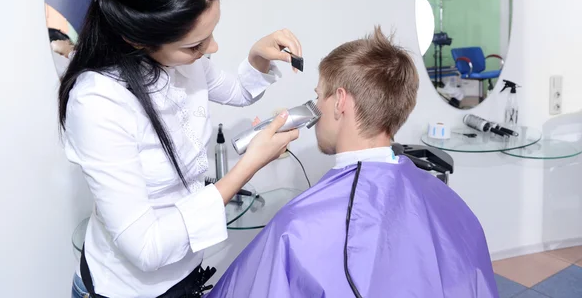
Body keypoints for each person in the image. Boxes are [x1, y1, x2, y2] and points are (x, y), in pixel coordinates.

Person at [60, 0, 302, 298]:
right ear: (136, 38)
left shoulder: (183, 64)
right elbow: (146, 247)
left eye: (211, 35)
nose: (212, 49)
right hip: (127, 290)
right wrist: (248, 166)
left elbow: (237, 92)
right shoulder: (98, 102)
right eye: (195, 45)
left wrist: (257, 58)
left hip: (185, 272)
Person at [208, 27, 498, 298]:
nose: (316, 106)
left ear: (340, 102)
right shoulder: (452, 205)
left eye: (319, 95)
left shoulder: (297, 227)